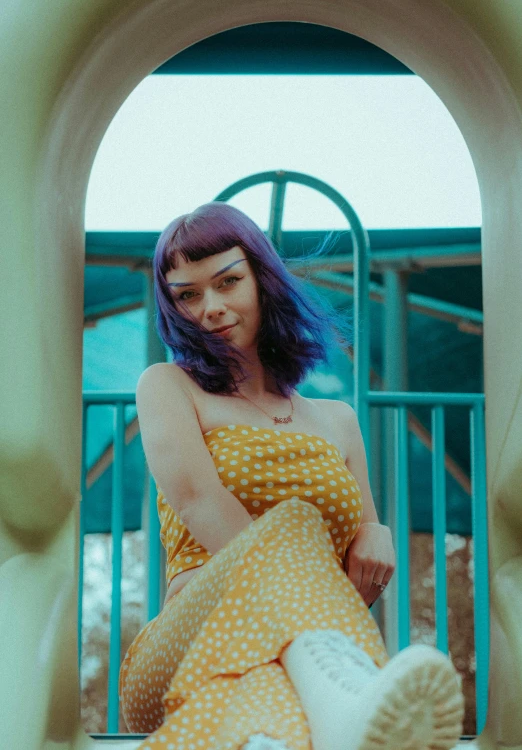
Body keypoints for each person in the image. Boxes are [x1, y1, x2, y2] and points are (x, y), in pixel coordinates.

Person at [118, 202, 464, 750]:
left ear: (263, 279)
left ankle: (300, 726)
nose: (210, 307)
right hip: (182, 645)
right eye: (188, 294)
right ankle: (351, 693)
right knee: (294, 522)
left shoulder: (339, 422)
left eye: (228, 282)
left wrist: (376, 529)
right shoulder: (168, 386)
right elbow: (198, 502)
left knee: (273, 707)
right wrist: (300, 550)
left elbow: (363, 560)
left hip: (284, 665)